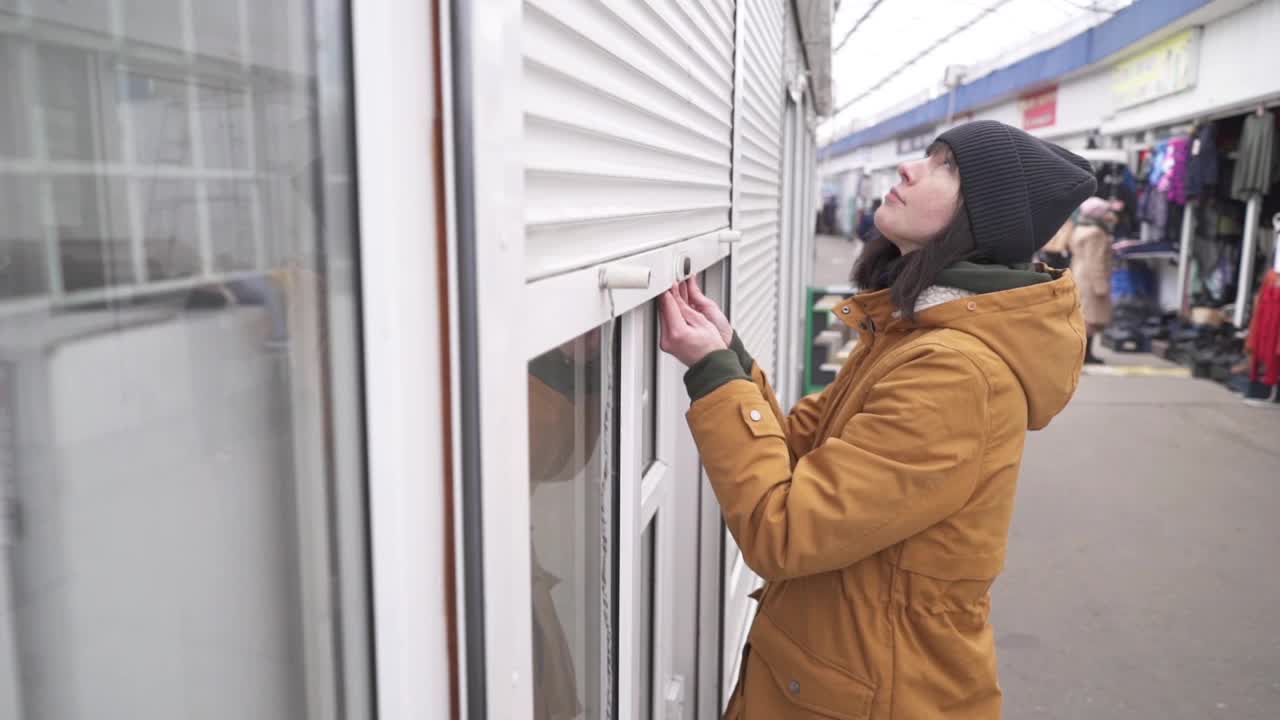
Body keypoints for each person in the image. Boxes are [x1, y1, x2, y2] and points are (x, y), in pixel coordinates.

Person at [658, 119, 1094, 719]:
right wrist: (729, 356)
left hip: (872, 698)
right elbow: (793, 453)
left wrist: (714, 374)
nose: (910, 169)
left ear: (987, 221)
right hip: (843, 679)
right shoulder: (913, 335)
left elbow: (784, 529)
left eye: (948, 167)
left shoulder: (955, 372)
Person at [1069, 197, 1117, 364]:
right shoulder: (1096, 233)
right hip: (1090, 279)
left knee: (1084, 317)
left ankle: (1084, 354)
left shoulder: (1080, 228)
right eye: (1105, 212)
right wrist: (1101, 285)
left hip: (1080, 274)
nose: (1109, 215)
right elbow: (1095, 261)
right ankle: (1086, 355)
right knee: (1090, 319)